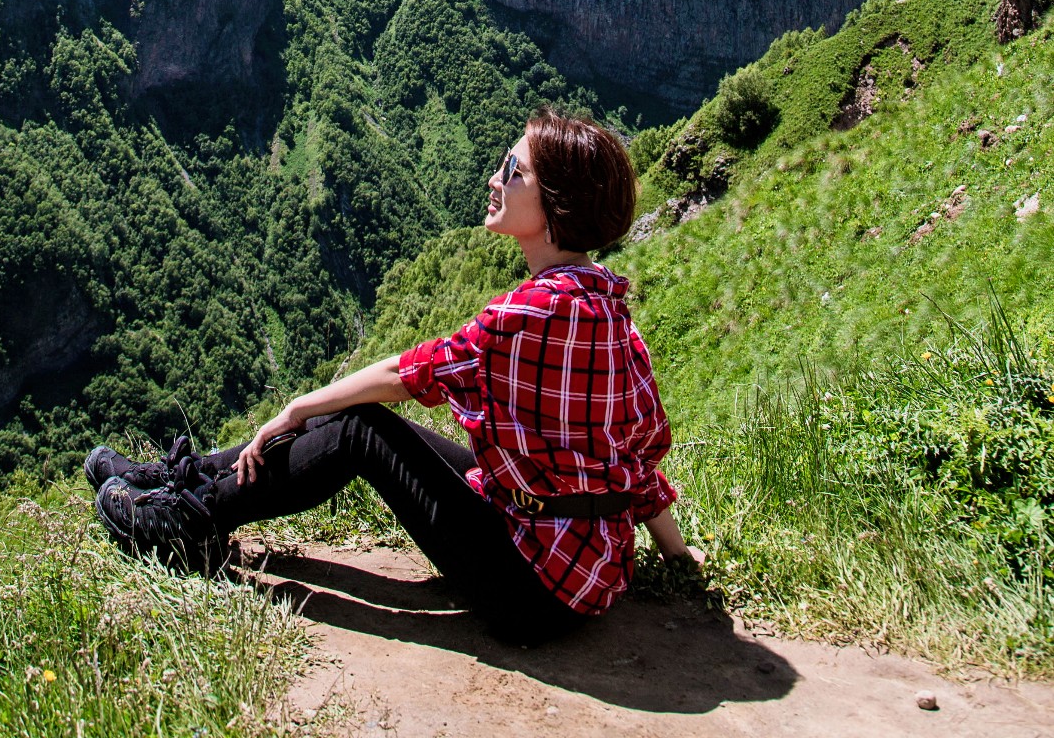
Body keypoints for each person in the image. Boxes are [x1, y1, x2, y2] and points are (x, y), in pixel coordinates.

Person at [85, 107, 695, 645]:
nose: (494, 179)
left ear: (557, 202)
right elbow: (635, 455)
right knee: (363, 422)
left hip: (530, 591)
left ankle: (191, 521)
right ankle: (180, 480)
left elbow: (410, 372)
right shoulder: (611, 312)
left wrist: (298, 407)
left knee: (360, 430)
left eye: (513, 171)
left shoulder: (530, 313)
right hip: (585, 567)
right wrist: (677, 554)